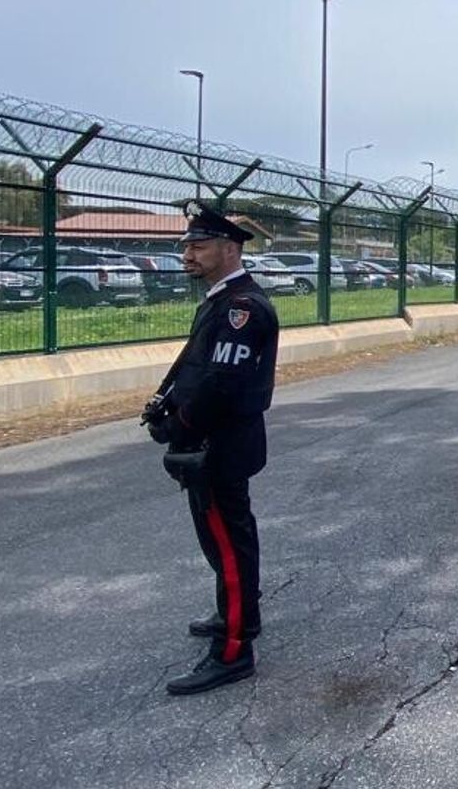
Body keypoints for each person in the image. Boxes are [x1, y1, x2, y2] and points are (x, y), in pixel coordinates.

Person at [142, 201, 279, 695]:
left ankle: (234, 650)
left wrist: (179, 423)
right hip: (215, 443)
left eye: (199, 246)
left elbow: (220, 384)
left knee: (228, 542)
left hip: (217, 446)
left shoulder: (242, 308)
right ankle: (238, 616)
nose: (188, 255)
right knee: (227, 539)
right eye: (187, 246)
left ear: (229, 248)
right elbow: (201, 372)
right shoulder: (225, 300)